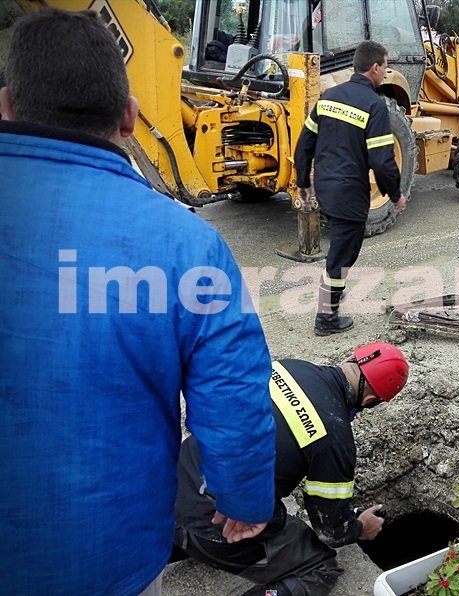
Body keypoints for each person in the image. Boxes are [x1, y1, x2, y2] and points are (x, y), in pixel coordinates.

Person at [0, 9, 276, 594]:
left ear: (7, 106)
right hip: (105, 555)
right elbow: (232, 391)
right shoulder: (186, 245)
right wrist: (245, 498)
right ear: (129, 117)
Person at [173, 342, 410, 595]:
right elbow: (331, 532)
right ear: (370, 400)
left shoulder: (288, 367)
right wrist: (360, 527)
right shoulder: (336, 439)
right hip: (217, 523)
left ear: (353, 358)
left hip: (171, 484)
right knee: (320, 569)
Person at [295, 40, 407, 336]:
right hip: (349, 193)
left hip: (326, 189)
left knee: (340, 252)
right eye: (385, 67)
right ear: (375, 68)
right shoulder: (374, 106)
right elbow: (382, 160)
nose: (386, 72)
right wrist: (396, 195)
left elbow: (304, 144)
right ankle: (326, 318)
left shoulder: (328, 96)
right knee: (342, 256)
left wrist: (303, 182)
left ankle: (334, 292)